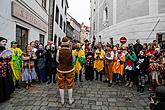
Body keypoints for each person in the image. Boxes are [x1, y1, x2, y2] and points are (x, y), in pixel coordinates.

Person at [56, 37, 75, 105]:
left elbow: (57, 60)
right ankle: (70, 100)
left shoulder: (59, 51)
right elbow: (73, 60)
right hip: (69, 70)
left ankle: (62, 101)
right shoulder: (71, 51)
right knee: (70, 85)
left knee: (61, 85)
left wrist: (62, 64)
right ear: (67, 42)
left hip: (61, 70)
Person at [0, 37, 15, 102]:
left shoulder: (6, 49)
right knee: (1, 82)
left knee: (7, 81)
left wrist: (9, 57)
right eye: (3, 41)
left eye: (5, 42)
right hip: (1, 69)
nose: (5, 43)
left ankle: (7, 94)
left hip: (7, 68)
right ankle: (2, 96)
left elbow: (10, 59)